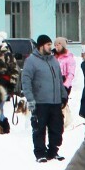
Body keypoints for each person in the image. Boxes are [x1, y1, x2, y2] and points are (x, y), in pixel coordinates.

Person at [21, 34, 68, 163]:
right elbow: (26, 81)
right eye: (48, 44)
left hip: (55, 101)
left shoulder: (53, 60)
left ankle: (53, 151)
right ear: (41, 46)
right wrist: (30, 99)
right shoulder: (31, 61)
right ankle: (40, 153)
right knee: (39, 128)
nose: (50, 47)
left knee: (57, 128)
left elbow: (59, 80)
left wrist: (63, 96)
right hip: (40, 102)